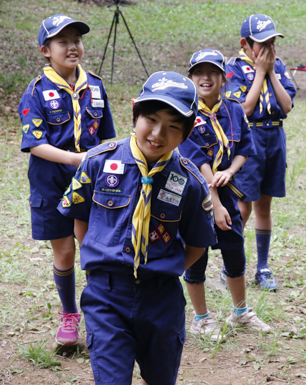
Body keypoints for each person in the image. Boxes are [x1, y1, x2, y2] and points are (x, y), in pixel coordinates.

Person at [57, 71, 217, 384]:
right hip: (106, 295)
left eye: (173, 126)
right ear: (135, 112)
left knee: (160, 377)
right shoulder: (98, 162)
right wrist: (100, 256)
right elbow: (81, 217)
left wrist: (162, 268)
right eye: (151, 119)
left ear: (185, 133)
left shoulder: (191, 182)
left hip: (162, 300)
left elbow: (198, 242)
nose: (158, 133)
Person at [18, 14, 115, 346]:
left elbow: (107, 139)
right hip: (51, 182)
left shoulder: (96, 86)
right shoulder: (36, 92)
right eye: (63, 42)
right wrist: (77, 159)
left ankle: (100, 312)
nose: (72, 47)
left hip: (90, 182)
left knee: (90, 246)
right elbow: (34, 143)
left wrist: (101, 163)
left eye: (77, 40)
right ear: (46, 50)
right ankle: (70, 314)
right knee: (64, 251)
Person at [179, 49, 271, 340]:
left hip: (226, 191)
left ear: (223, 78)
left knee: (234, 248)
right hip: (195, 196)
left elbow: (245, 147)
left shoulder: (233, 110)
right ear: (191, 78)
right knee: (197, 255)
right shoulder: (185, 113)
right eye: (199, 73)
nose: (205, 78)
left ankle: (240, 312)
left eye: (213, 73)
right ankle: (201, 319)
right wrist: (215, 202)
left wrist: (230, 171)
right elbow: (196, 160)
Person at [226, 14, 296, 291]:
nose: (269, 49)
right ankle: (232, 264)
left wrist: (269, 71)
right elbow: (242, 109)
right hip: (249, 137)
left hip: (274, 136)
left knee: (264, 205)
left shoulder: (278, 66)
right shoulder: (233, 68)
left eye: (272, 42)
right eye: (262, 43)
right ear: (245, 43)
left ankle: (263, 267)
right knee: (243, 206)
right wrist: (259, 72)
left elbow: (287, 105)